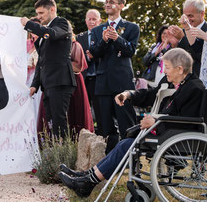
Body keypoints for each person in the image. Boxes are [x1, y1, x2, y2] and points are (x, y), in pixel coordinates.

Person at [59, 48, 205, 198]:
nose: (164, 71)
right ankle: (87, 177)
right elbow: (149, 95)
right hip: (164, 131)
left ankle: (88, 181)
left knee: (127, 144)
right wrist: (129, 94)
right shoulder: (171, 82)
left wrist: (155, 121)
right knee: (126, 142)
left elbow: (187, 122)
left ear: (180, 69)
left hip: (175, 137)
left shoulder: (195, 88)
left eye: (167, 67)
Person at [90, 0, 139, 153]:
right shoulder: (97, 30)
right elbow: (94, 53)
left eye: (112, 2)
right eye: (106, 2)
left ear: (121, 6)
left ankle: (131, 161)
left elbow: (130, 51)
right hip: (103, 83)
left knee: (127, 123)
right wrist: (104, 41)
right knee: (105, 125)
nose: (108, 4)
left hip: (122, 82)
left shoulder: (132, 27)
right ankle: (109, 161)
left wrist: (117, 38)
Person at [22, 0, 76, 139]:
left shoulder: (62, 24)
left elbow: (52, 34)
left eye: (41, 13)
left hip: (60, 81)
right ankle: (54, 153)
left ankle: (63, 156)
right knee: (50, 123)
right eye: (37, 14)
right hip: (47, 83)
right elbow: (41, 61)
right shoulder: (46, 30)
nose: (38, 17)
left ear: (52, 9)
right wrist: (35, 84)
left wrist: (29, 24)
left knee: (59, 122)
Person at [169, 0, 207, 80]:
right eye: (185, 16)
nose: (187, 20)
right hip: (186, 81)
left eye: (190, 15)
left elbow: (200, 56)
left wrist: (183, 38)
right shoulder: (183, 31)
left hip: (200, 81)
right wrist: (175, 44)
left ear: (202, 14)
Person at [76, 9, 101, 111]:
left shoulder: (104, 36)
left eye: (94, 19)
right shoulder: (79, 38)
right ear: (85, 21)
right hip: (84, 78)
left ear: (99, 21)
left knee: (100, 110)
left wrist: (94, 56)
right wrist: (86, 58)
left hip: (99, 79)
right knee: (82, 109)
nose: (91, 22)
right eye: (89, 19)